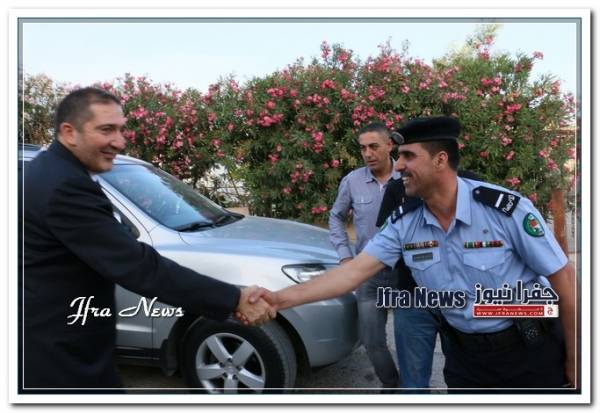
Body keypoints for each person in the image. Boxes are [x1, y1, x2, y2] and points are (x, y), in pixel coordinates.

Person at [245, 116, 577, 389]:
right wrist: (278, 299)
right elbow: (352, 273)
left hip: (528, 351)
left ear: (440, 159)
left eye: (408, 156)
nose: (399, 165)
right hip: (466, 361)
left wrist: (576, 360)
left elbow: (563, 278)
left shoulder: (504, 210)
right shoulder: (405, 221)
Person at [20, 87, 274, 389]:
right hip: (60, 362)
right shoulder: (64, 186)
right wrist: (234, 298)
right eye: (106, 130)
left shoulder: (51, 171)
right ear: (69, 132)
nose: (119, 141)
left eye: (121, 129)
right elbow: (137, 266)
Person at [376, 165, 481, 390]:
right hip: (412, 299)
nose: (400, 164)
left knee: (466, 380)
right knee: (413, 384)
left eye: (410, 155)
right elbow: (385, 242)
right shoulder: (398, 188)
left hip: (460, 297)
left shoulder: (471, 183)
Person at [328, 122, 400, 390]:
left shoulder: (408, 177)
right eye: (363, 148)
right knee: (371, 340)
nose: (368, 153)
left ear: (389, 145)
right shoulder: (353, 181)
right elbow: (336, 217)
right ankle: (392, 386)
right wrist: (345, 256)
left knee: (411, 339)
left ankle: (416, 389)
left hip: (406, 274)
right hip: (368, 274)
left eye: (374, 146)